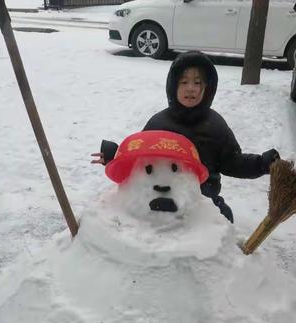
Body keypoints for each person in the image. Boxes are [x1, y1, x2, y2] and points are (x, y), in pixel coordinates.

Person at [92, 50, 280, 223]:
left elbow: (232, 162)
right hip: (158, 202)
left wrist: (261, 164)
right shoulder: (159, 124)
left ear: (208, 88)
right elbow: (140, 160)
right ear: (173, 86)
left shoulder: (215, 126)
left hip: (203, 203)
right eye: (184, 82)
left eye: (197, 82)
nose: (191, 88)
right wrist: (114, 155)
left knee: (224, 219)